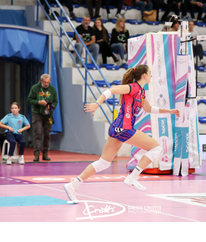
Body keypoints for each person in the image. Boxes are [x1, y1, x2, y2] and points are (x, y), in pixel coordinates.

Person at [63, 65, 180, 203]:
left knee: (103, 163)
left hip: (117, 128)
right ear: (144, 75)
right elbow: (112, 90)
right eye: (149, 73)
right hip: (124, 128)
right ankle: (133, 177)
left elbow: (148, 108)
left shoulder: (141, 92)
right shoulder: (133, 87)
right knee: (156, 148)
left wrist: (169, 111)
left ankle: (73, 185)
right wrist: (97, 104)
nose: (151, 75)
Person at [28, 74, 58, 162]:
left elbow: (55, 101)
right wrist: (38, 102)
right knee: (38, 133)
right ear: (41, 81)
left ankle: (45, 153)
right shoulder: (35, 88)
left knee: (47, 134)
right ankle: (36, 154)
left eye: (47, 82)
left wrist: (51, 107)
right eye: (44, 82)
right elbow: (29, 100)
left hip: (48, 114)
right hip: (37, 113)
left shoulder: (52, 89)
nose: (46, 84)